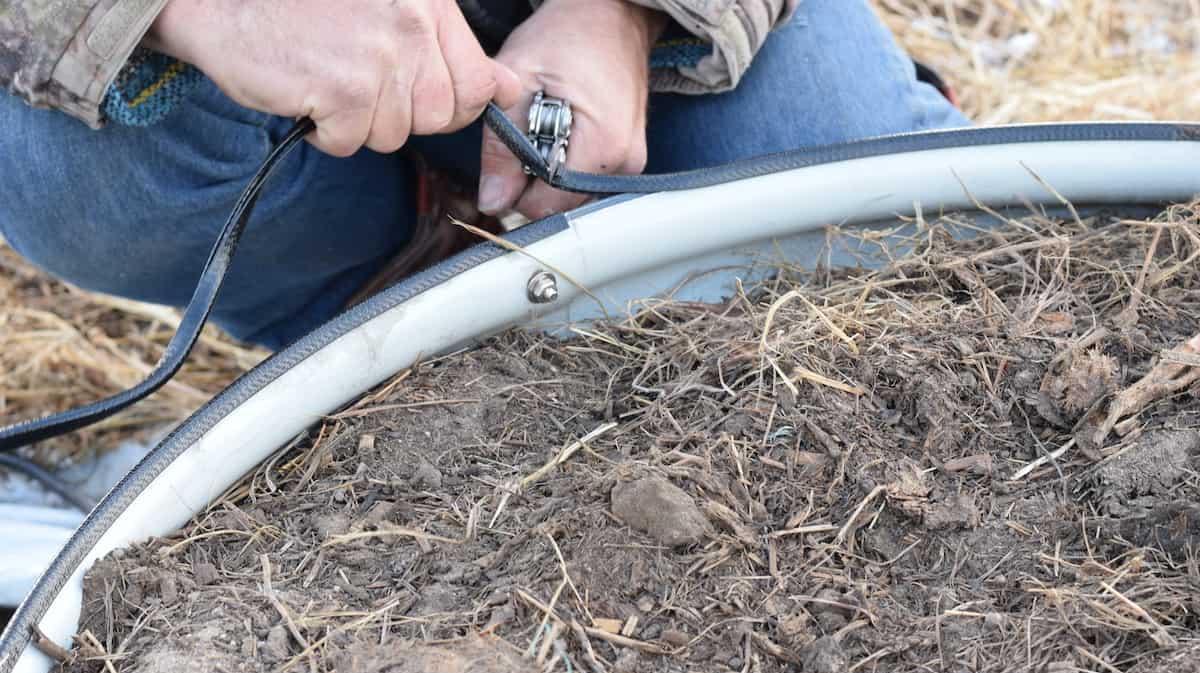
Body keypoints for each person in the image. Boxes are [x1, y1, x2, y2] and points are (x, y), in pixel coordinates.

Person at [0, 0, 967, 350]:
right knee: (79, 180)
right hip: (203, 67)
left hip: (567, 23)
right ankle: (371, 297)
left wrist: (625, 18)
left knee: (874, 195)